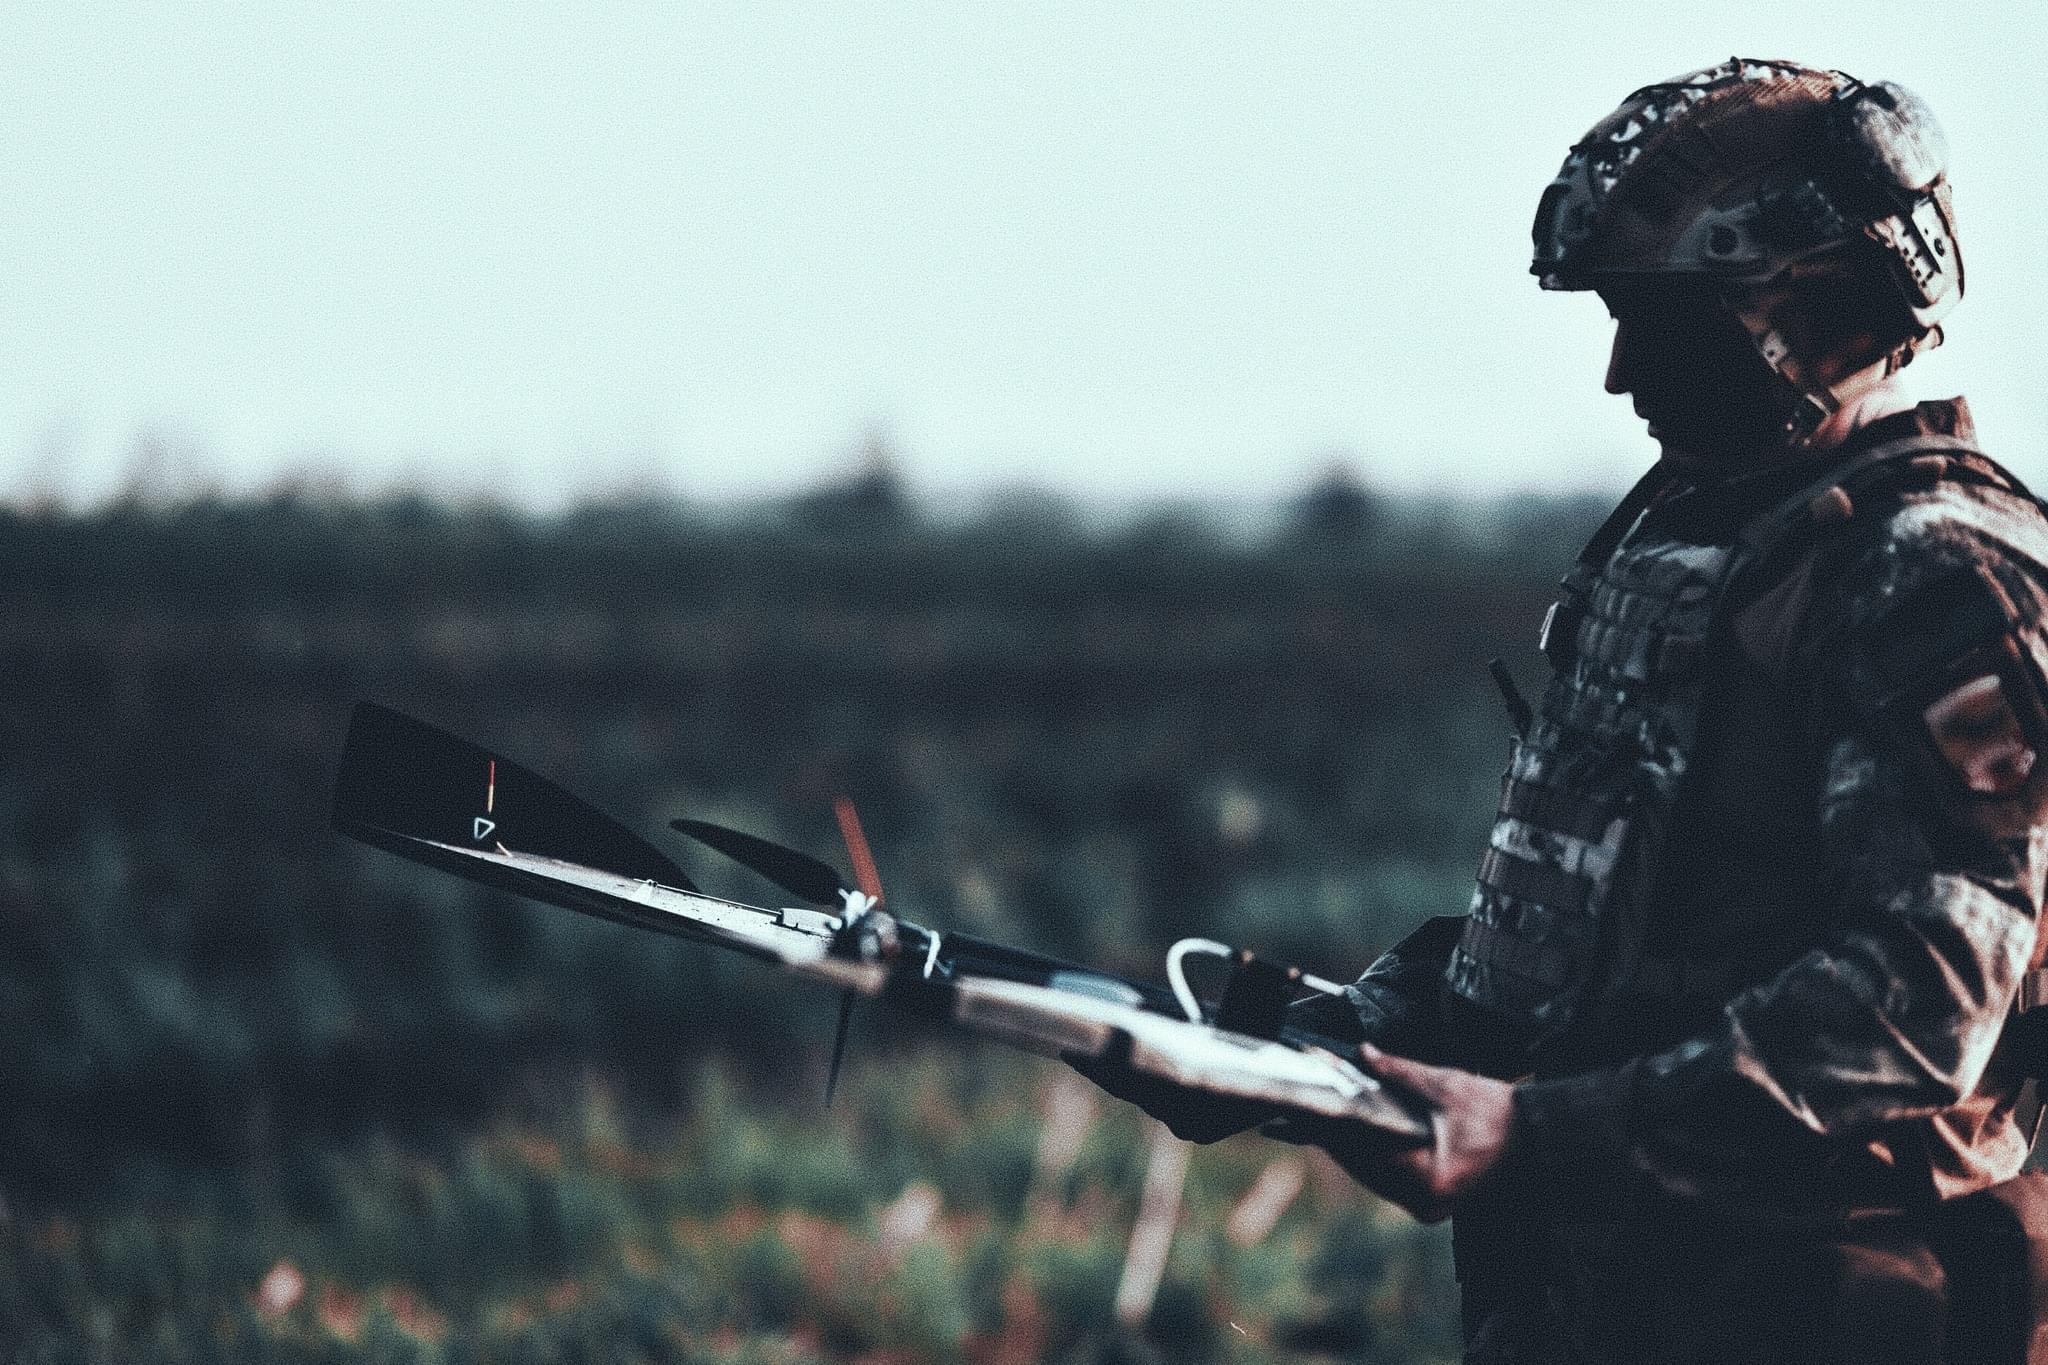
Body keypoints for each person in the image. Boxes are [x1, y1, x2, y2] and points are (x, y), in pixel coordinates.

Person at [1083, 58, 2048, 1363]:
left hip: (1833, 1308)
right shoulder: (1701, 541)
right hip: (1611, 1300)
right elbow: (1604, 936)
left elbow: (1925, 999)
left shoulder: (1940, 578)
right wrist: (1336, 1040)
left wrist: (1532, 1133)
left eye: (1669, 325)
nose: (1618, 373)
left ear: (1814, 307)